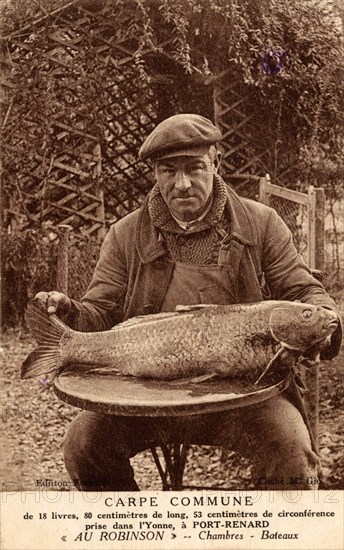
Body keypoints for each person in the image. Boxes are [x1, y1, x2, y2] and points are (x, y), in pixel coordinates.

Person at [35, 114, 341, 491]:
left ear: (216, 162)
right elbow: (100, 314)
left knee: (292, 452)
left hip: (244, 400)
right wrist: (70, 312)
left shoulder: (261, 223)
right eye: (168, 171)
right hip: (144, 399)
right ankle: (129, 528)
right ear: (155, 174)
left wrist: (327, 321)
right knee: (83, 445)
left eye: (195, 168)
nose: (182, 184)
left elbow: (304, 292)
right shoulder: (125, 234)